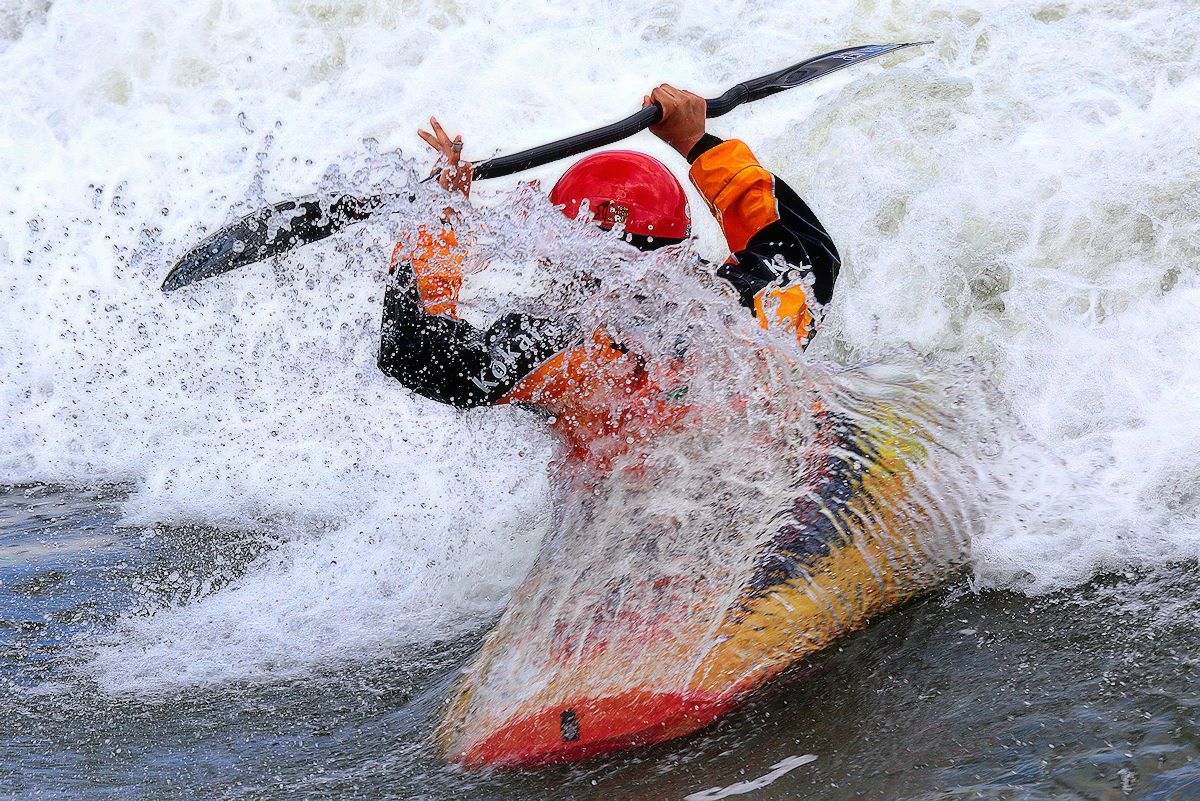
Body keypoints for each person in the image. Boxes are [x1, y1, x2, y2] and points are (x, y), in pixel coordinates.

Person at [378, 85, 841, 467]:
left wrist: (437, 220)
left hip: (653, 547)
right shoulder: (738, 305)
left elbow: (413, 351)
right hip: (796, 485)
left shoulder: (561, 350)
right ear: (678, 238)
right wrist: (695, 143)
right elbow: (807, 253)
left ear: (569, 250)